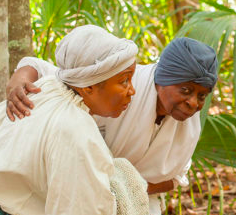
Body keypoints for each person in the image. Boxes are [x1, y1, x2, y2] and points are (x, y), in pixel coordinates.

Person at [6, 37, 218, 214]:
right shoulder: (115, 85)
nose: (193, 103)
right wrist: (19, 80)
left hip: (137, 199)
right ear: (163, 78)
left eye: (202, 96)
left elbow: (175, 178)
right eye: (186, 91)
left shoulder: (190, 128)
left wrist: (126, 189)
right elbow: (56, 73)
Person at [0, 25, 149, 215]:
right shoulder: (77, 133)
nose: (132, 91)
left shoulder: (47, 87)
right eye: (124, 81)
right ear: (89, 87)